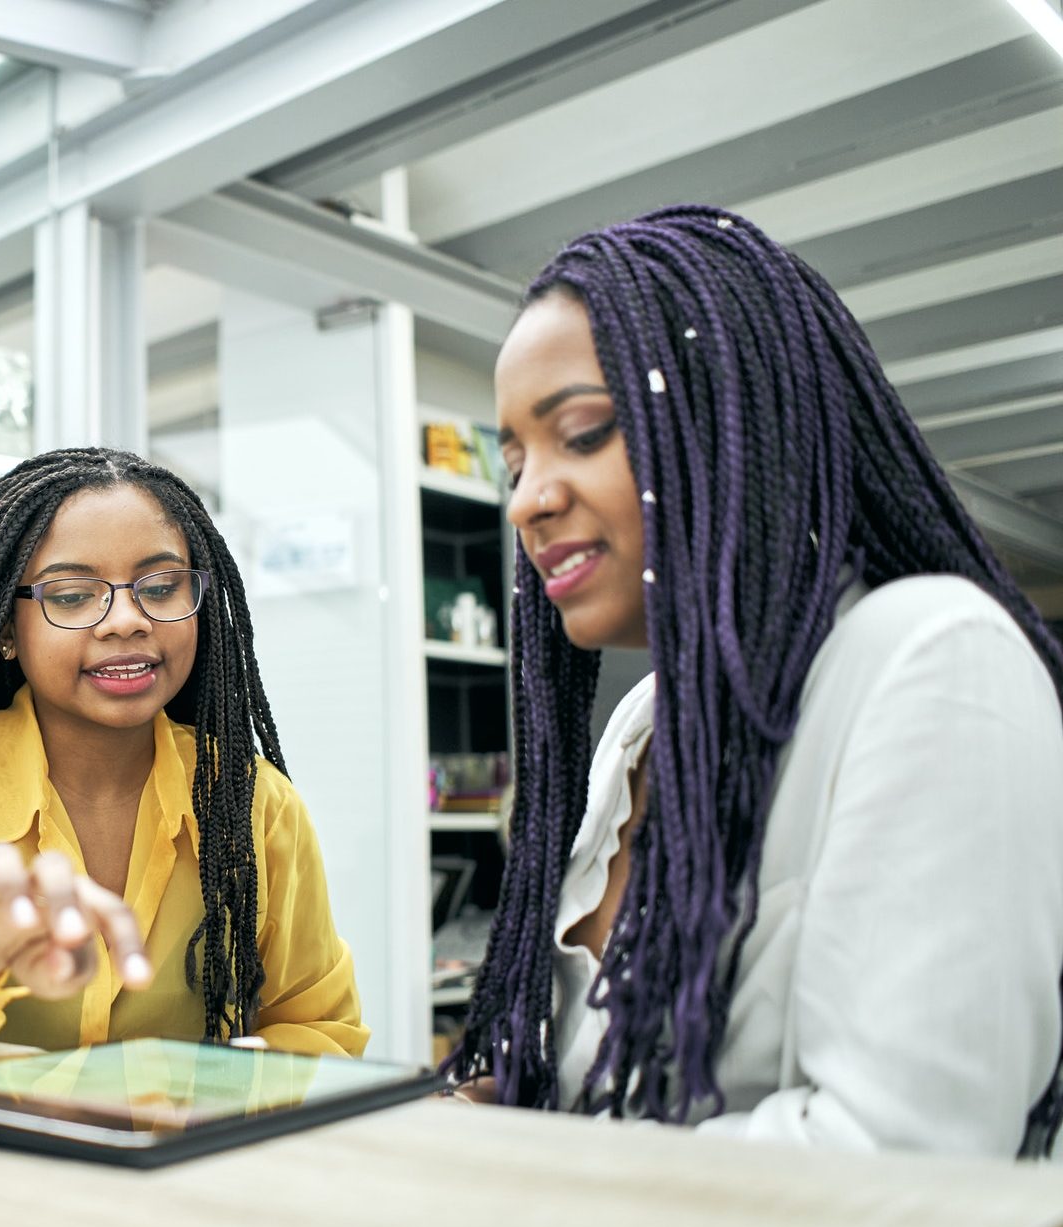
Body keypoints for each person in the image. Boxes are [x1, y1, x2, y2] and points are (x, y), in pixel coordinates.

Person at [446, 205, 1063, 1159]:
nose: (528, 498)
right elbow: (613, 1089)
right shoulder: (644, 726)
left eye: (584, 433)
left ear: (729, 422)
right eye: (516, 460)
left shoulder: (933, 655)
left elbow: (907, 1154)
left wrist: (547, 1170)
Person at [0, 448, 366, 1056]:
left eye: (161, 587)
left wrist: (247, 1090)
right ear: (7, 628)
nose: (126, 620)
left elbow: (320, 1025)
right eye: (71, 595)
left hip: (188, 1149)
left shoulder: (252, 800)